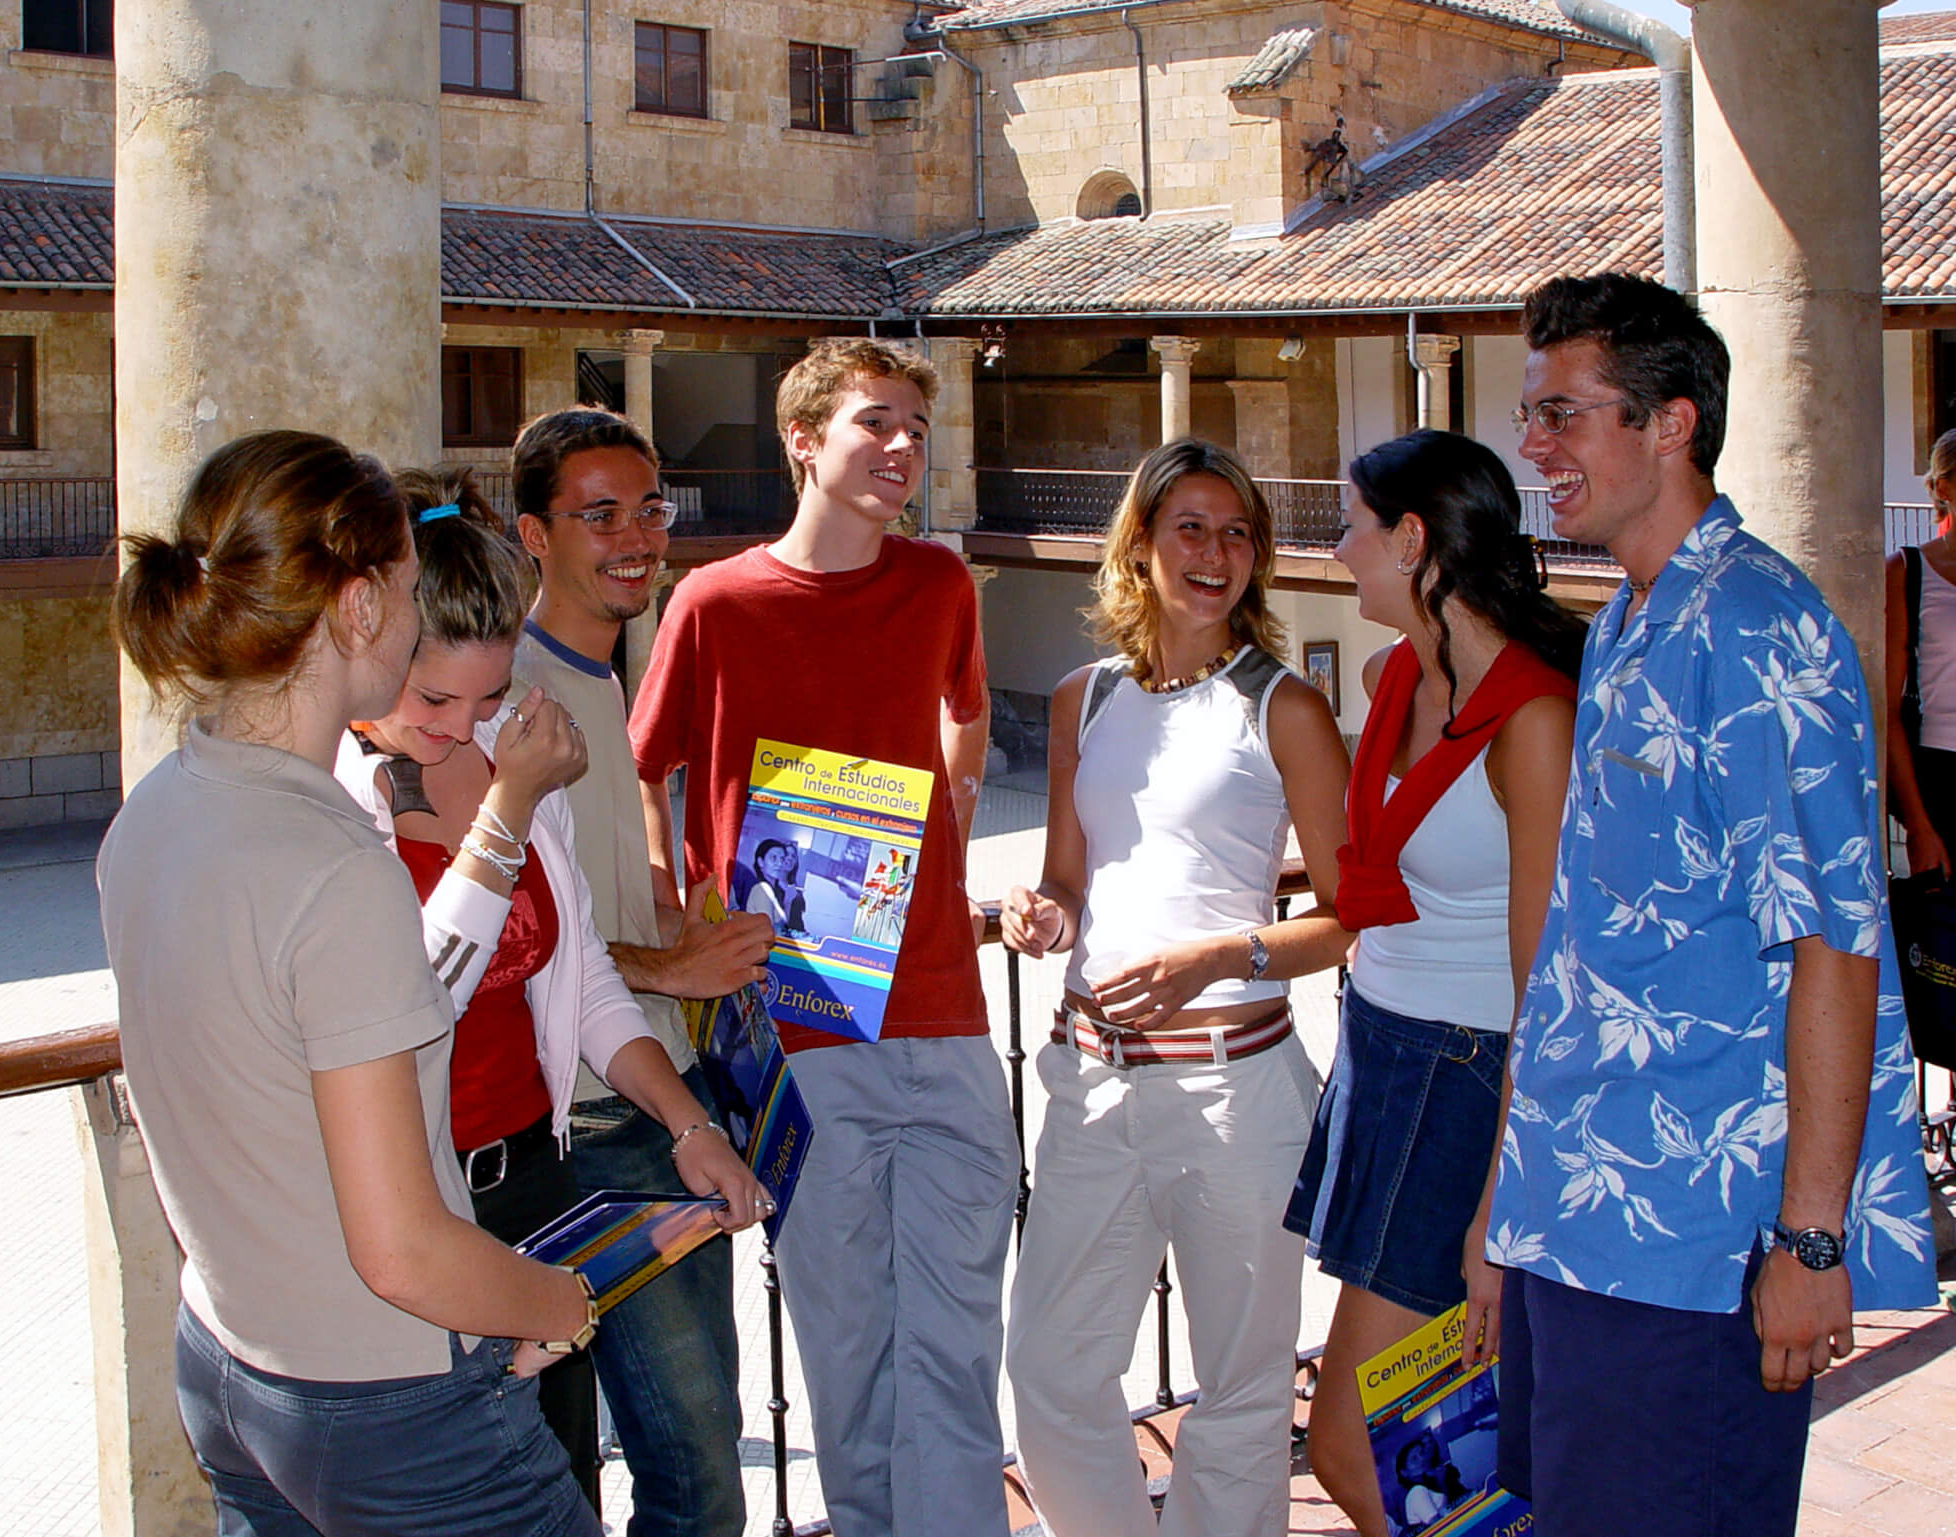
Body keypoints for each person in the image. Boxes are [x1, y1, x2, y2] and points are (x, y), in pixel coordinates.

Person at [1488, 273, 1936, 1536]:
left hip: (1691, 1249)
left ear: (1669, 423)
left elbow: (1832, 947)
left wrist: (1805, 1242)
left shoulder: (1750, 627)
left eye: (1563, 414)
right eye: (1532, 414)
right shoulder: (1632, 610)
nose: (1533, 445)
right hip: (1583, 1216)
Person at [98, 430, 601, 1535]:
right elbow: (402, 1250)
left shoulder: (154, 815)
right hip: (386, 1401)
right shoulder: (335, 872)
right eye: (414, 592)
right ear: (360, 607)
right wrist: (560, 1301)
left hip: (228, 1363)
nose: (423, 617)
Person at [629, 338, 1021, 1537]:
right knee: (848, 1359)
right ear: (802, 439)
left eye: (914, 425)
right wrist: (679, 904)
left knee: (955, 1353)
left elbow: (968, 712)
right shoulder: (714, 601)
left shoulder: (939, 587)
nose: (902, 446)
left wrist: (943, 824)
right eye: (874, 422)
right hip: (796, 1025)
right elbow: (646, 772)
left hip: (946, 1013)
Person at [334, 470, 773, 1512]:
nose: (460, 726)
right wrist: (509, 808)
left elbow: (579, 985)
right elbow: (417, 999)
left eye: (487, 699)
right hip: (421, 1205)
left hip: (537, 1184)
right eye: (431, 697)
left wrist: (685, 1125)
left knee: (560, 1488)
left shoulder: (502, 755)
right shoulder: (337, 799)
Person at [1000, 438, 1352, 1536]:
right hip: (1091, 1086)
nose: (1215, 552)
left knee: (1244, 1395)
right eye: (1189, 528)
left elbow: (1348, 919)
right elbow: (1068, 877)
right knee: (1050, 1374)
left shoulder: (1283, 707)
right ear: (1140, 546)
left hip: (1236, 1092)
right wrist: (1039, 911)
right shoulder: (1081, 700)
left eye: (1236, 530)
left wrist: (1219, 957)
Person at [1282, 430, 1581, 1537]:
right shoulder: (1388, 672)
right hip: (1382, 1053)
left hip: (1462, 1084)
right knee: (1425, 1434)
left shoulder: (1533, 719)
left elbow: (1542, 986)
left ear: (1411, 539)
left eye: (1351, 525)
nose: (1338, 546)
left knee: (1359, 1442)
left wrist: (1497, 1214)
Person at [510, 406, 775, 1537]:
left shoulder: (602, 674)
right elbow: (510, 952)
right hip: (592, 1127)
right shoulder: (509, 699)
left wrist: (680, 928)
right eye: (598, 514)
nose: (635, 537)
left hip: (659, 1103)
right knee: (693, 1471)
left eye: (650, 509)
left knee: (685, 1460)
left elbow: (587, 905)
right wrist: (669, 965)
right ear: (534, 535)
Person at [1884, 428, 1956, 880]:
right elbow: (1888, 711)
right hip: (1944, 780)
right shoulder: (1909, 571)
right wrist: (1918, 824)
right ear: (1945, 487)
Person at [746, 838, 808, 933]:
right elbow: (773, 930)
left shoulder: (793, 887)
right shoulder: (763, 888)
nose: (780, 863)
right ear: (761, 862)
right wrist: (788, 902)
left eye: (793, 856)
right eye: (773, 858)